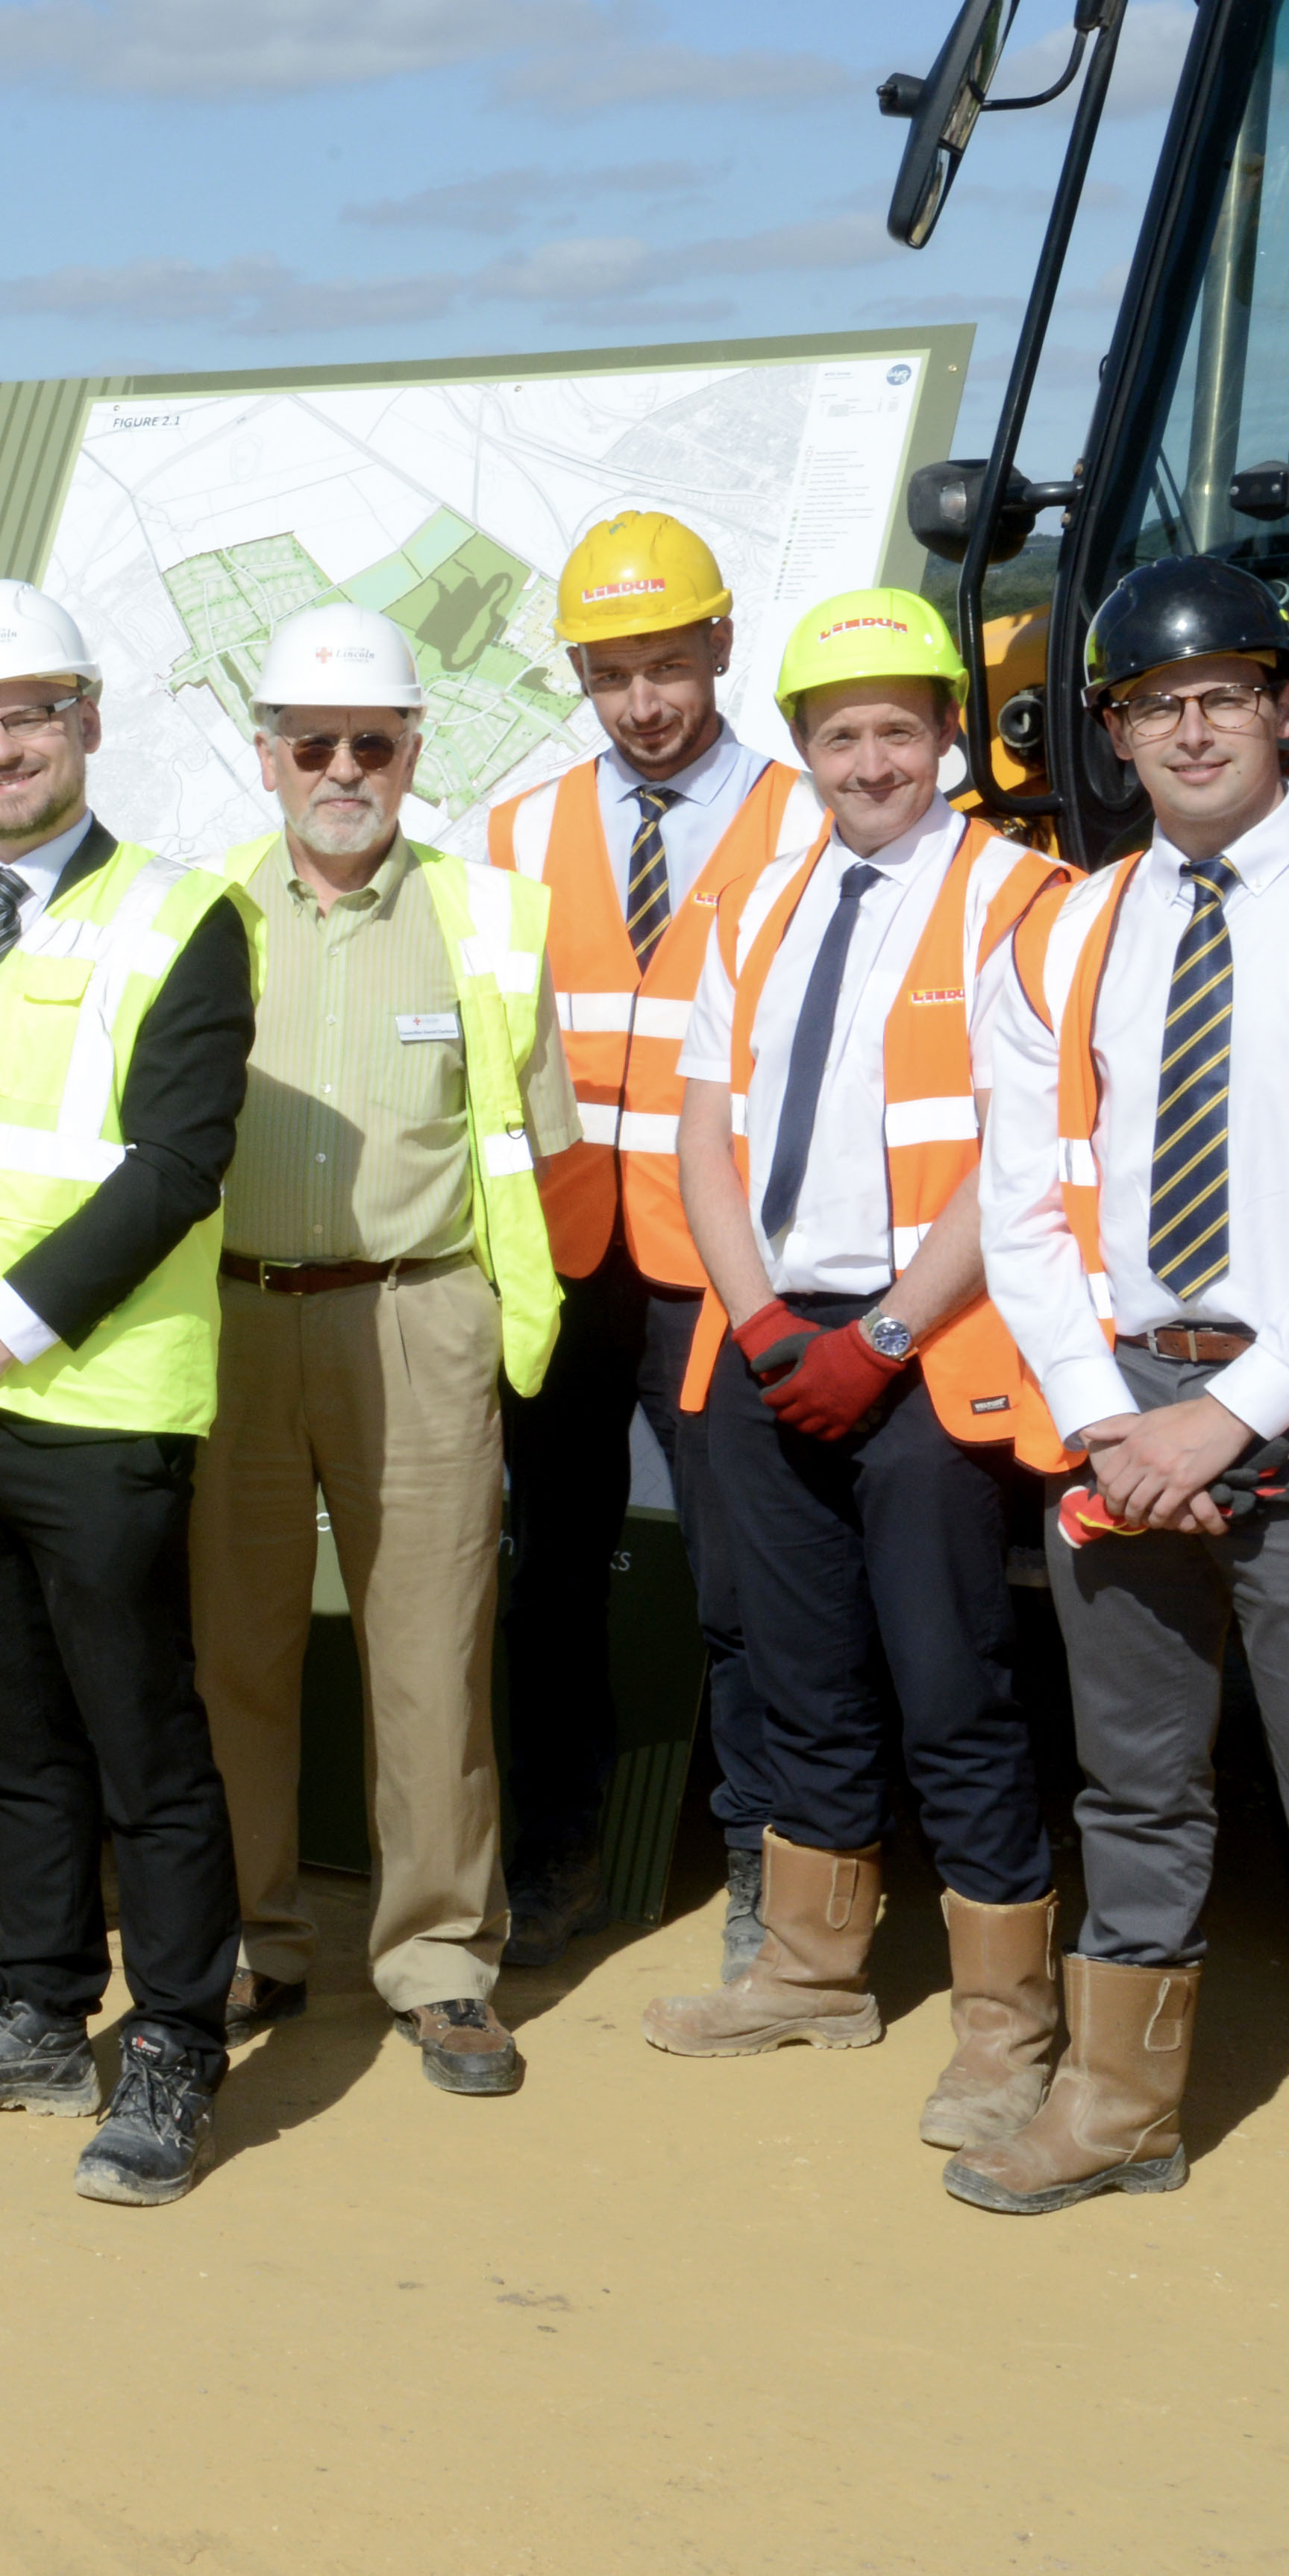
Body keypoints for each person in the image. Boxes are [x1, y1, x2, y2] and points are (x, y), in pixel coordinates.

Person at [958, 554, 1289, 2332]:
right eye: (1146, 701)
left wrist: (1224, 1409)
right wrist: (1107, 1408)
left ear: (1281, 707)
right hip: (1114, 1407)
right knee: (1129, 1782)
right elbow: (1028, 1197)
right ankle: (1116, 2101)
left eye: (1219, 692)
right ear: (1112, 735)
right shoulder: (1057, 929)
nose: (1185, 724)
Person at [0, 579, 260, 2202]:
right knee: (6, 1740)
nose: (1, 746)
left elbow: (171, 1167)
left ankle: (168, 2043)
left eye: (29, 713)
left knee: (140, 1742)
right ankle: (26, 2009)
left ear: (85, 719)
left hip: (93, 1408)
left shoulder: (182, 915)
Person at [641, 591, 1067, 2133]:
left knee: (950, 1681)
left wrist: (882, 1330)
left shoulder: (1024, 901)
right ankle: (811, 1973)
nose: (869, 757)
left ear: (946, 735)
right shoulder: (750, 902)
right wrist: (757, 1322)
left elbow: (1024, 1150)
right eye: (839, 732)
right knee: (801, 1672)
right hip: (767, 1342)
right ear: (802, 747)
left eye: (897, 726)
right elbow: (702, 1129)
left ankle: (1004, 2020)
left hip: (929, 1351)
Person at [191, 601, 575, 2099]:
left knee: (427, 1660)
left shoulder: (482, 917)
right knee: (234, 1649)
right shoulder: (195, 916)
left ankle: (435, 1965)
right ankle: (243, 1933)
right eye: (311, 742)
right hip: (228, 1318)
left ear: (413, 749)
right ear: (266, 756)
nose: (340, 765)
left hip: (419, 1315)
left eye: (369, 740)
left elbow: (535, 1145)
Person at [477, 511, 804, 1969]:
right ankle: (549, 1861)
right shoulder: (512, 834)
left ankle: (759, 1865)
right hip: (558, 1257)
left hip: (722, 1259)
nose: (642, 702)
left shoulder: (807, 823)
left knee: (745, 1573)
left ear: (721, 645)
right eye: (611, 675)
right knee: (547, 1570)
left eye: (667, 665)